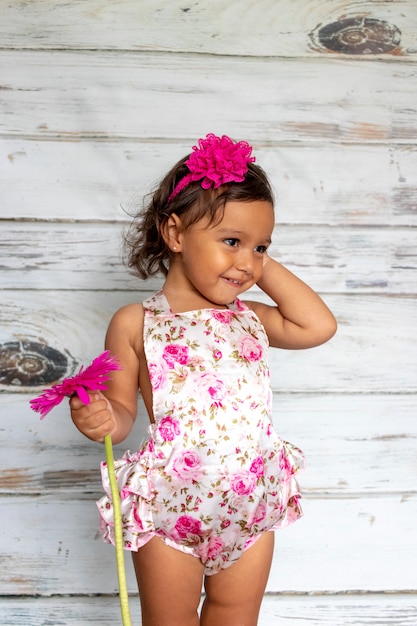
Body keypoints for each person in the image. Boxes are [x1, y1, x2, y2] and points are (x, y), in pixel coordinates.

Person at [70, 133, 337, 626]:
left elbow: (318, 326)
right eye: (231, 241)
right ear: (175, 234)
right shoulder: (137, 322)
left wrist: (251, 254)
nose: (247, 261)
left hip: (249, 505)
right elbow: (122, 417)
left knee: (235, 617)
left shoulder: (252, 317)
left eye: (261, 246)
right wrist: (101, 418)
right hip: (171, 505)